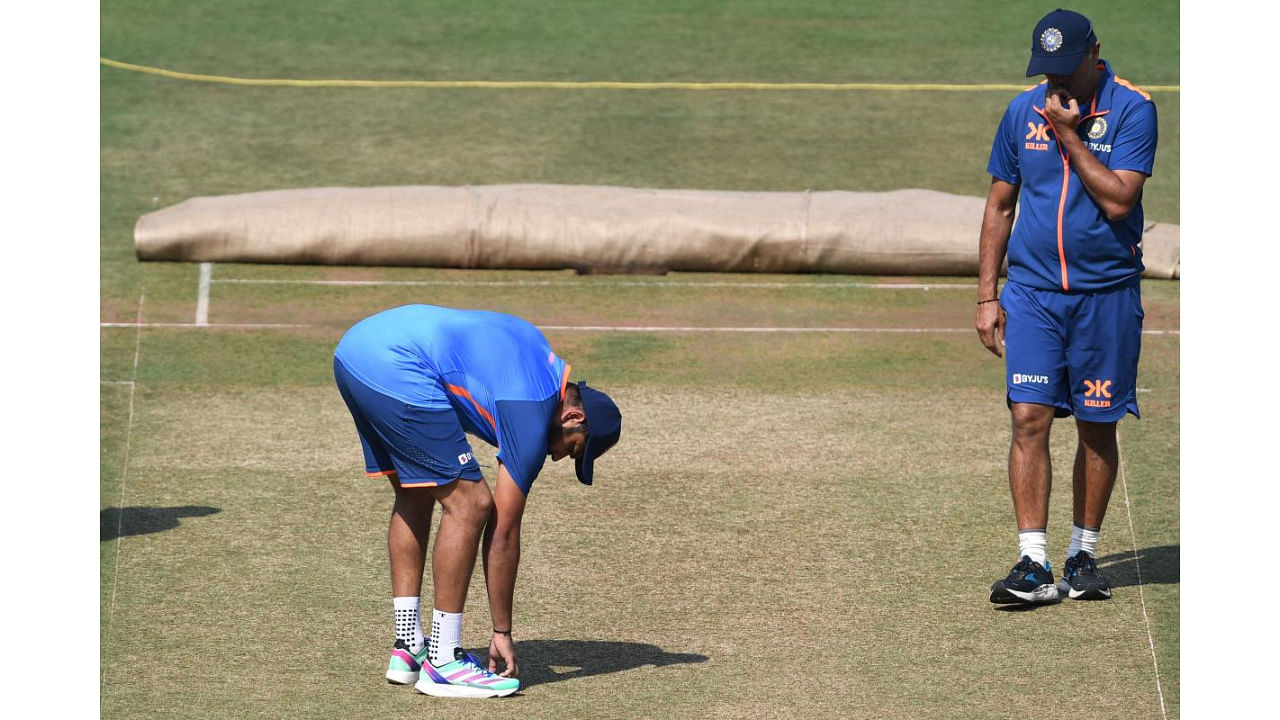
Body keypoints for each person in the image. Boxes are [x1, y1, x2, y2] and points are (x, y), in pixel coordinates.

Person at [333, 304, 622, 697]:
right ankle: (444, 661)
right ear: (572, 417)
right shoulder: (532, 410)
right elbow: (502, 534)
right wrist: (502, 630)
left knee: (416, 490)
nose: (558, 458)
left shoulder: (540, 356)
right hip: (398, 366)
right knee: (472, 505)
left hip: (356, 352)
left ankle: (409, 646)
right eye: (574, 450)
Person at [975, 9, 1157, 605]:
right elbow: (1001, 205)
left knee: (1096, 426)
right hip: (1032, 296)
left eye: (1065, 68)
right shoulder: (1021, 110)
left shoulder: (1133, 108)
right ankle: (1032, 564)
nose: (1054, 81)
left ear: (1094, 54)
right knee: (1028, 418)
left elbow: (1119, 199)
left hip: (1105, 298)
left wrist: (1070, 136)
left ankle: (1083, 555)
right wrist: (986, 295)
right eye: (1044, 69)